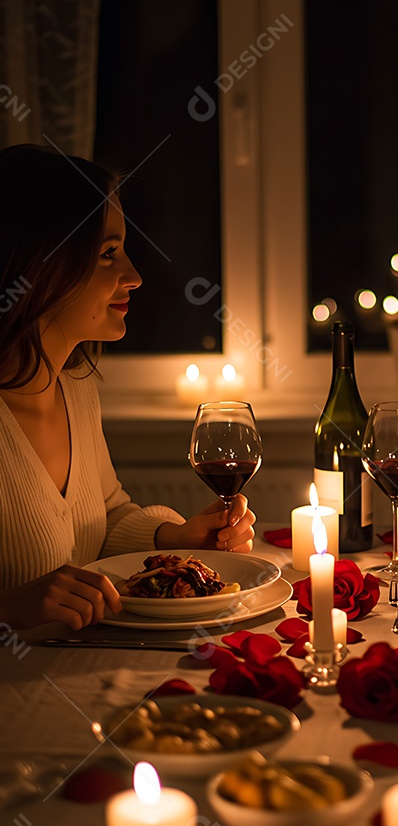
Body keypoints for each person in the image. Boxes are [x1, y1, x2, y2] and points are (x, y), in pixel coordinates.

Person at [0, 144, 256, 631]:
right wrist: (6, 610)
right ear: (38, 265)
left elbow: (105, 516)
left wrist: (174, 538)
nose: (134, 276)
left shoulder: (75, 388)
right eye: (107, 254)